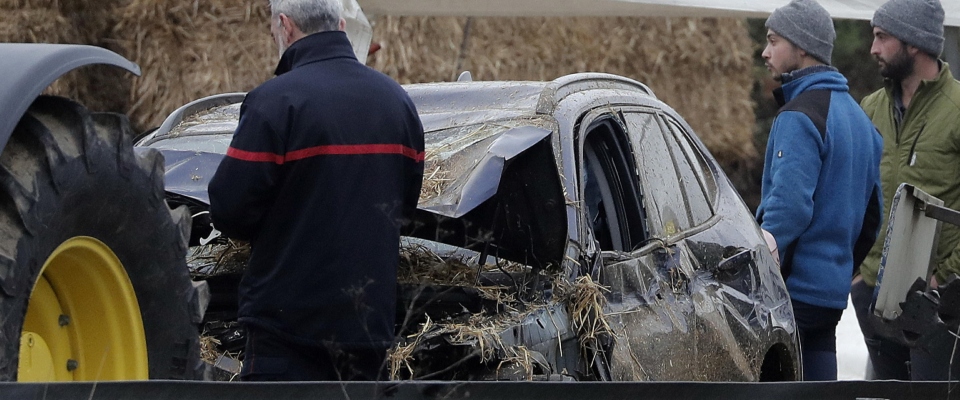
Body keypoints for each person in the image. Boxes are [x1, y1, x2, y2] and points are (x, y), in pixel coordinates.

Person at [207, 0, 425, 381]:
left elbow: (229, 210)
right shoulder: (397, 103)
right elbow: (405, 210)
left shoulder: (274, 102)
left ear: (285, 27)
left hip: (284, 335)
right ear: (341, 24)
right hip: (367, 333)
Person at [755, 0, 883, 381]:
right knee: (821, 383)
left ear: (802, 47)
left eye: (773, 41)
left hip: (790, 293)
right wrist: (840, 272)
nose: (765, 52)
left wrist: (764, 272)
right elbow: (872, 217)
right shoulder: (861, 121)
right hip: (829, 295)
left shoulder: (800, 115)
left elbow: (789, 208)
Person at [853, 0, 960, 381]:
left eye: (882, 37)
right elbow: (856, 198)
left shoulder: (958, 109)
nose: (873, 48)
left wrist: (944, 279)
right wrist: (858, 276)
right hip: (873, 295)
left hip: (939, 302)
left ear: (914, 42)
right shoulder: (870, 107)